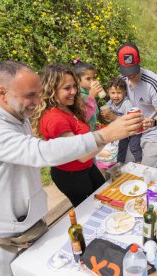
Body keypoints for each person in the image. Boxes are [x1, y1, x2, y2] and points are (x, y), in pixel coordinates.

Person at [0, 60, 142, 276]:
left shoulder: (15, 113)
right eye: (30, 95)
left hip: (28, 232)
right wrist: (104, 135)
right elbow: (39, 152)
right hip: (0, 243)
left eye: (38, 93)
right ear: (2, 92)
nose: (37, 101)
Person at [32, 63, 108, 207]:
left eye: (74, 86)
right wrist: (112, 135)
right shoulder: (54, 119)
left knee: (104, 199)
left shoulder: (67, 107)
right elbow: (81, 154)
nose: (74, 91)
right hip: (72, 176)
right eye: (67, 88)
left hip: (87, 168)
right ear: (52, 90)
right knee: (90, 211)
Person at [117, 43, 157, 168]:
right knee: (127, 168)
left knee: (146, 171)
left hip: (153, 131)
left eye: (133, 70)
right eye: (126, 71)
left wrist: (153, 122)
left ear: (139, 61)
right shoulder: (121, 79)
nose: (130, 75)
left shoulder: (154, 83)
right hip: (133, 131)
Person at [101, 76, 142, 164]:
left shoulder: (126, 104)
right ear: (108, 92)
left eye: (119, 92)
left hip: (133, 129)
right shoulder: (109, 104)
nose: (116, 96)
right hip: (123, 130)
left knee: (134, 147)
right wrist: (106, 117)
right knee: (121, 146)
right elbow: (110, 120)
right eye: (113, 93)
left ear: (125, 92)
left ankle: (139, 163)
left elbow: (130, 121)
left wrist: (114, 117)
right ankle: (120, 164)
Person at [73, 59, 105, 131]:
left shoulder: (88, 93)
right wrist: (91, 96)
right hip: (85, 135)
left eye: (93, 78)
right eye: (88, 79)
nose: (92, 81)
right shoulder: (77, 96)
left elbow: (93, 118)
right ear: (77, 79)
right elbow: (85, 117)